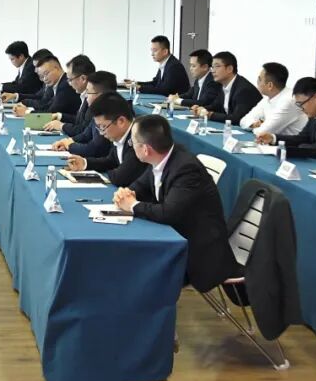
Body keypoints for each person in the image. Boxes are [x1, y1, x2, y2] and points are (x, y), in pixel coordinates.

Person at [113, 115, 237, 292]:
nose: (131, 146)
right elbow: (141, 185)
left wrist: (132, 205)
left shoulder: (185, 169)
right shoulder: (162, 157)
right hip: (176, 232)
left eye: (133, 143)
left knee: (133, 263)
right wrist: (127, 193)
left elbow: (168, 213)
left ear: (146, 149)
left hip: (198, 250)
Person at [65, 93, 147, 187]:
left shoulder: (138, 140)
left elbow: (119, 178)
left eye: (103, 127)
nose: (101, 133)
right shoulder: (121, 135)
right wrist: (85, 163)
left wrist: (111, 171)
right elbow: (111, 161)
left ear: (121, 121)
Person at [52, 71, 121, 158]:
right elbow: (85, 134)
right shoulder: (98, 110)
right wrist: (67, 141)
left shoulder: (110, 113)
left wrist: (70, 146)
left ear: (101, 95)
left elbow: (95, 149)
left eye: (88, 92)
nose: (86, 96)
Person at [190, 51, 262, 124]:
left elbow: (237, 118)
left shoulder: (243, 89)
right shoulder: (224, 85)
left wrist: (209, 115)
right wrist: (201, 109)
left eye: (217, 66)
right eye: (212, 67)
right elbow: (215, 106)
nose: (213, 71)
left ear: (229, 69)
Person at [240, 62, 306, 137]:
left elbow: (263, 132)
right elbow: (243, 121)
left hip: (292, 143)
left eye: (259, 79)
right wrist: (253, 124)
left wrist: (261, 126)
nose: (257, 83)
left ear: (270, 85)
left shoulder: (289, 100)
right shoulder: (268, 98)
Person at [11, 54, 79, 118]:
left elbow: (51, 113)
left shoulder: (66, 86)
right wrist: (25, 107)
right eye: (42, 76)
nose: (45, 79)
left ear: (56, 68)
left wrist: (26, 112)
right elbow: (46, 106)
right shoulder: (58, 84)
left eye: (46, 74)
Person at [41, 55, 95, 134]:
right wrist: (60, 116)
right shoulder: (84, 95)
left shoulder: (93, 98)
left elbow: (83, 130)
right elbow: (79, 121)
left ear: (83, 79)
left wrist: (61, 126)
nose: (69, 84)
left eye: (70, 79)